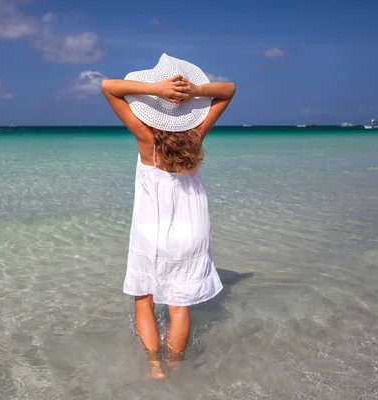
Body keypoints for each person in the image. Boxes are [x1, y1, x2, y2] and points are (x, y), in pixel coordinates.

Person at [101, 54, 236, 380]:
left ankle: (154, 367)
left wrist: (157, 89)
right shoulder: (195, 136)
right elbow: (228, 90)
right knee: (178, 306)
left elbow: (108, 87)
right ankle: (178, 367)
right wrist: (195, 90)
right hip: (192, 230)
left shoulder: (146, 140)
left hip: (151, 230)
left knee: (144, 301)